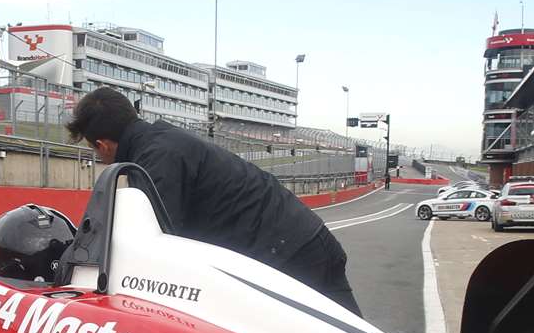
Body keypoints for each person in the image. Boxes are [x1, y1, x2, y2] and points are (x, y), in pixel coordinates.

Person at [66, 86, 361, 314]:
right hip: (305, 242)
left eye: (96, 150)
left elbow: (154, 245)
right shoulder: (164, 141)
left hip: (291, 257)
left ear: (102, 145)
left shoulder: (155, 159)